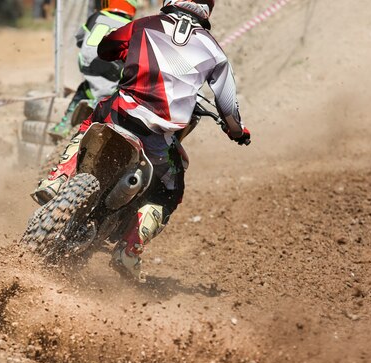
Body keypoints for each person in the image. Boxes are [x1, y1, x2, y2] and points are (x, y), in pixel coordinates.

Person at [33, 0, 251, 282]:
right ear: (208, 7)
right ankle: (129, 250)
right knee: (170, 191)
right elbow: (228, 106)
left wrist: (126, 54)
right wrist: (237, 132)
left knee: (93, 119)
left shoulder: (142, 25)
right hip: (158, 138)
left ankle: (57, 177)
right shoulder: (215, 52)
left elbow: (105, 48)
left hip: (121, 114)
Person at [47, 0, 138, 139]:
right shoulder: (131, 27)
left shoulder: (95, 17)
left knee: (82, 90)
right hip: (114, 78)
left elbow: (79, 39)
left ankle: (64, 124)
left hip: (90, 70)